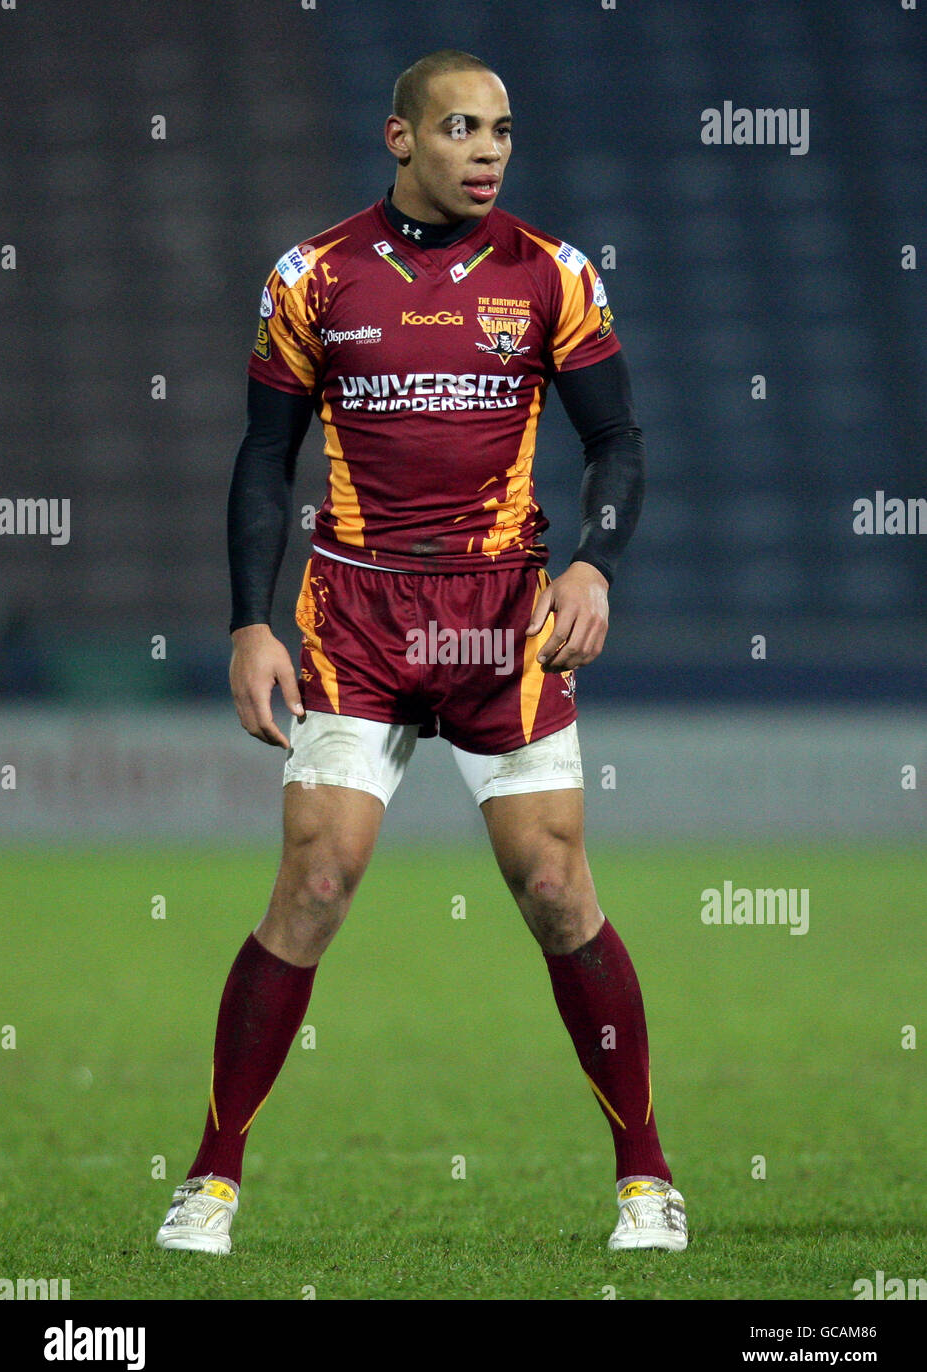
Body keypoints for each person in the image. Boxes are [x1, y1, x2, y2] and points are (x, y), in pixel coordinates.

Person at [156, 48, 687, 1258]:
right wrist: (250, 616)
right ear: (401, 140)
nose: (489, 148)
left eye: (502, 127)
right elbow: (261, 456)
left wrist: (596, 562)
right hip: (357, 614)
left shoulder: (554, 274)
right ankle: (212, 1180)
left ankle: (646, 1179)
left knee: (557, 892)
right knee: (316, 883)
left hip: (505, 619)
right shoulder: (314, 275)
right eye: (461, 127)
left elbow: (619, 441)